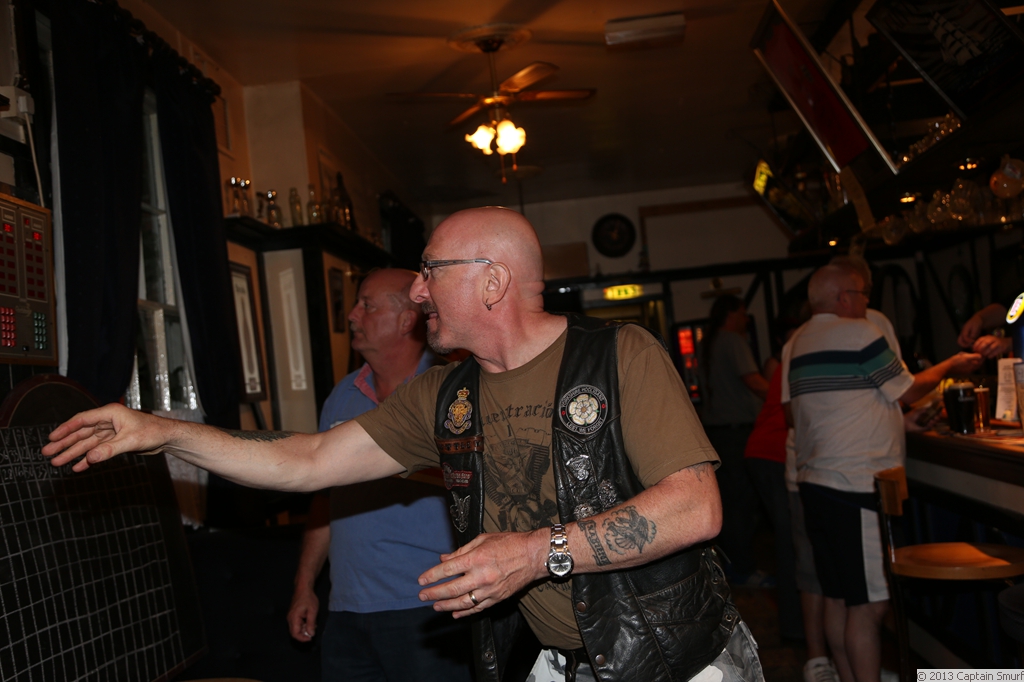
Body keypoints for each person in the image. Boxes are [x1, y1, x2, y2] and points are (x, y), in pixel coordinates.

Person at [45, 207, 764, 682]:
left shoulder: (619, 356)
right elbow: (307, 461)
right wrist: (163, 431)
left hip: (676, 657)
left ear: (493, 282)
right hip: (556, 662)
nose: (418, 292)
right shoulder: (444, 395)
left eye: (431, 270)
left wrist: (530, 553)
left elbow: (695, 507)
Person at [781, 262, 982, 682]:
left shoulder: (799, 341)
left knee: (838, 598)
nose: (867, 302)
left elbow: (842, 408)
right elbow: (908, 389)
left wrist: (896, 422)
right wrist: (950, 366)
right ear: (843, 299)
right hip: (855, 487)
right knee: (870, 606)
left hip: (815, 485)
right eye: (862, 294)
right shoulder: (859, 332)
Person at [285, 268, 471, 682]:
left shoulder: (451, 391)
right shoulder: (343, 395)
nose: (352, 315)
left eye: (367, 305)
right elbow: (325, 498)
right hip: (345, 609)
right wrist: (304, 585)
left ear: (406, 320)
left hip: (427, 608)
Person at [701, 295, 771, 587]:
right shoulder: (732, 340)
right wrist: (782, 397)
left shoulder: (709, 343)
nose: (746, 319)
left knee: (729, 503)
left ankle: (731, 566)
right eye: (743, 313)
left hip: (717, 432)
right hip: (736, 433)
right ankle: (744, 568)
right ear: (731, 314)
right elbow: (753, 381)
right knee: (741, 505)